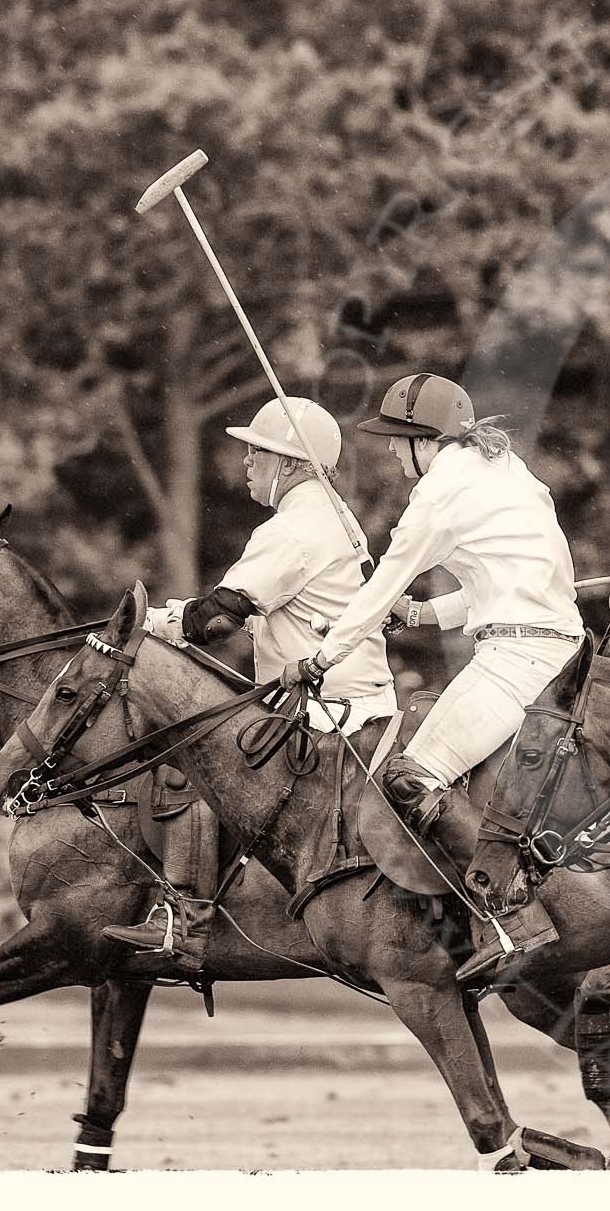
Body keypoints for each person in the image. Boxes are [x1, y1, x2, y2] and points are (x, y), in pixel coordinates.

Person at [281, 373, 584, 980]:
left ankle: (511, 919)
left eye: (400, 439)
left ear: (427, 440)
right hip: (566, 651)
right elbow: (501, 585)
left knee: (409, 778)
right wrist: (425, 613)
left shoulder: (438, 494)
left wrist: (320, 659)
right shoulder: (509, 472)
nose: (394, 452)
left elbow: (381, 588)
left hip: (517, 662)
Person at [107, 397, 396, 975]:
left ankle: (182, 922)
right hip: (343, 700)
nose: (246, 462)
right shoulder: (336, 515)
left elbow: (215, 621)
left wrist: (153, 621)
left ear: (289, 465)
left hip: (321, 713)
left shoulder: (293, 528)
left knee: (194, 751)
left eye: (257, 451)